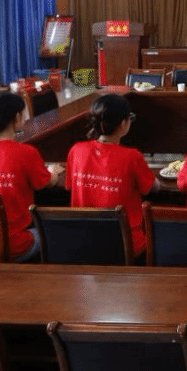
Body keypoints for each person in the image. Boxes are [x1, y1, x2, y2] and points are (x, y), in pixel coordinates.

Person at [0, 91, 64, 262]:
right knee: (58, 231)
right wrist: (54, 172)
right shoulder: (26, 152)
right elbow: (47, 183)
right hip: (15, 245)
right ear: (17, 117)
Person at [66, 94, 161, 258]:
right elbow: (152, 188)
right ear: (124, 123)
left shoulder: (76, 150)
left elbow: (69, 186)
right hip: (125, 245)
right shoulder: (132, 156)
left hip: (84, 243)